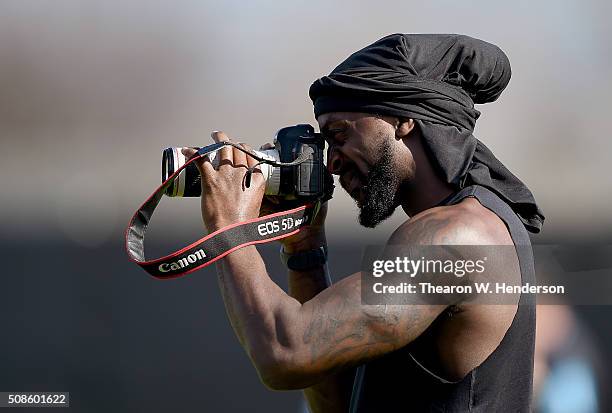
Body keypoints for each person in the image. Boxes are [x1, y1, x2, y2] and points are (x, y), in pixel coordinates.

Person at [182, 34, 545, 412]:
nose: (332, 162)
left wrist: (229, 228)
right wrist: (304, 250)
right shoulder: (451, 228)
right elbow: (338, 404)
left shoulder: (458, 235)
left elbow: (284, 353)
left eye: (339, 135)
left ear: (404, 119)